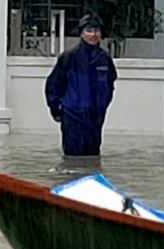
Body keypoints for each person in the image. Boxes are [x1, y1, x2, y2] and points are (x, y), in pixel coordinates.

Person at [45, 13, 118, 157]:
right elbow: (53, 85)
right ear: (81, 33)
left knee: (92, 159)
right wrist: (58, 110)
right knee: (73, 160)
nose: (93, 34)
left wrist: (102, 107)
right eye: (89, 31)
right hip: (72, 116)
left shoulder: (104, 59)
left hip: (95, 117)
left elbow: (110, 85)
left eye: (96, 31)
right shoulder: (69, 57)